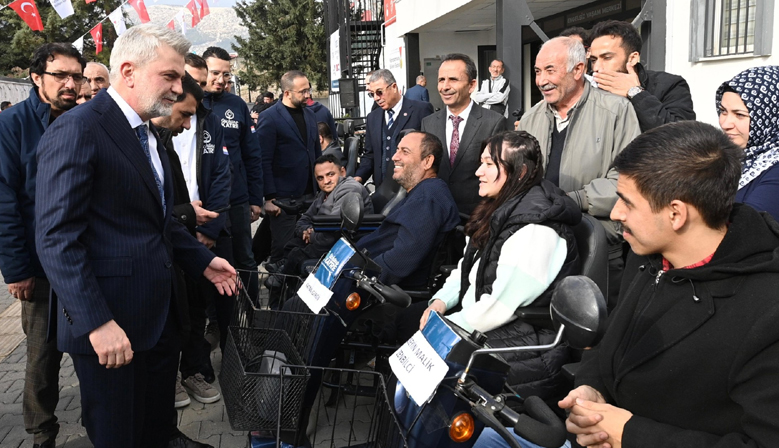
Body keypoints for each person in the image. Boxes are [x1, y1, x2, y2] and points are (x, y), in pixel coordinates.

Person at [34, 24, 237, 448]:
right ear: (128, 71)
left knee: (154, 431)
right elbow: (56, 238)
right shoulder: (78, 129)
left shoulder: (149, 134)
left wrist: (202, 261)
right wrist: (97, 321)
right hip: (111, 329)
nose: (179, 88)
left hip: (157, 322)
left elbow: (156, 222)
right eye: (170, 76)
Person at [559, 120, 779, 447]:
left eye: (627, 202)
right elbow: (612, 339)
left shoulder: (767, 312)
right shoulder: (648, 253)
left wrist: (632, 434)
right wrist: (592, 388)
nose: (616, 213)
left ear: (676, 213)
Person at [413, 131, 581, 448]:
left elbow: (499, 307)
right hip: (495, 330)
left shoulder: (535, 228)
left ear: (519, 173)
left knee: (432, 371)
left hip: (530, 345)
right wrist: (440, 303)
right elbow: (467, 270)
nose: (478, 171)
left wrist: (445, 329)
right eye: (481, 162)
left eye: (489, 163)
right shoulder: (499, 209)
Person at [0, 42, 86, 448]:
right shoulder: (13, 125)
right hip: (39, 266)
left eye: (77, 76)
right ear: (37, 78)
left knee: (93, 346)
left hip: (86, 259)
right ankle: (41, 431)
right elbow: (5, 201)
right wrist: (17, 269)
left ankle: (101, 417)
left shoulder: (87, 120)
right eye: (61, 76)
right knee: (40, 355)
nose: (71, 84)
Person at [517, 36, 640, 305]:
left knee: (595, 337)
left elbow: (628, 180)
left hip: (596, 246)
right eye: (538, 71)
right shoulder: (530, 118)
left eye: (550, 70)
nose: (541, 80)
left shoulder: (616, 111)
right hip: (539, 248)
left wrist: (573, 200)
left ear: (579, 70)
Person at [151, 73, 224, 448]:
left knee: (191, 318)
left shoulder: (161, 142)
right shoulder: (129, 139)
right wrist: (186, 215)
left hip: (182, 251)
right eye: (186, 114)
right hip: (142, 279)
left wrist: (201, 245)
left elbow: (166, 209)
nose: (188, 124)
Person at [201, 46, 263, 315]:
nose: (221, 80)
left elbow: (253, 155)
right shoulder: (190, 102)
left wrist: (255, 199)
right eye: (215, 73)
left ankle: (253, 314)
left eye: (226, 74)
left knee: (246, 259)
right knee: (213, 261)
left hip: (237, 199)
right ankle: (218, 318)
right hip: (206, 202)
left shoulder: (237, 105)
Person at [356, 131, 460, 288]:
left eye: (404, 152)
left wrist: (358, 276)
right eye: (397, 150)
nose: (395, 157)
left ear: (427, 161)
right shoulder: (421, 193)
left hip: (378, 290)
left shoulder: (427, 198)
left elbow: (399, 261)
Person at [422, 53, 507, 216]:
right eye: (441, 80)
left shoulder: (493, 122)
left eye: (453, 79)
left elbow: (498, 175)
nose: (445, 87)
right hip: (436, 215)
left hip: (476, 217)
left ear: (471, 85)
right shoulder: (428, 123)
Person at [269, 153, 373, 284]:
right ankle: (283, 271)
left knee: (297, 254)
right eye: (320, 178)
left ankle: (282, 279)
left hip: (344, 243)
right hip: (323, 238)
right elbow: (303, 220)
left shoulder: (349, 189)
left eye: (330, 174)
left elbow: (332, 226)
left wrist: (311, 235)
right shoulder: (324, 193)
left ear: (342, 172)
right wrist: (306, 231)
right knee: (292, 245)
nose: (326, 181)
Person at [258, 70, 321, 264]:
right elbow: (263, 160)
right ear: (287, 93)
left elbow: (316, 153)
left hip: (311, 195)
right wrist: (268, 198)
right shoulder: (270, 117)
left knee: (310, 250)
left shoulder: (310, 115)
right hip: (283, 199)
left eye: (308, 90)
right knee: (282, 251)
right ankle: (279, 291)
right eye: (302, 91)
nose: (307, 95)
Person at [589, 19, 696, 132]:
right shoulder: (590, 89)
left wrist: (636, 93)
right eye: (593, 60)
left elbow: (680, 135)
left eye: (607, 58)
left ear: (633, 58)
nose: (596, 68)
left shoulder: (669, 85)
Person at [354, 69, 434, 197]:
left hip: (413, 192)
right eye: (372, 94)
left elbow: (430, 151)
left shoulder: (421, 110)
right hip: (382, 192)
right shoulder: (372, 118)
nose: (376, 98)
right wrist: (358, 178)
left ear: (394, 87)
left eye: (379, 92)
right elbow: (370, 155)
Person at [716, 66, 779, 222]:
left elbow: (748, 232)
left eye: (740, 115)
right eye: (723, 111)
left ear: (770, 118)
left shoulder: (775, 170)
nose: (725, 123)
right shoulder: (727, 155)